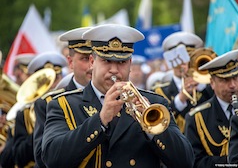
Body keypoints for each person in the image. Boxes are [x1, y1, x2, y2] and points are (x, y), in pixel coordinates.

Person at [41, 24, 194, 168]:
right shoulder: (63, 104)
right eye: (106, 61)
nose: (114, 70)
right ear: (93, 62)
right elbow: (52, 159)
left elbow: (186, 161)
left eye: (121, 62)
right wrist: (100, 120)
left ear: (130, 64)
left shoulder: (155, 102)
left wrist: (152, 130)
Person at [33, 27, 93, 168]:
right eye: (85, 59)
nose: (92, 66)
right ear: (70, 62)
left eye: (96, 58)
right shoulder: (49, 102)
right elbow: (43, 158)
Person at [185, 49, 238, 167]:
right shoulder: (196, 118)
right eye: (225, 80)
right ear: (212, 83)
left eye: (235, 78)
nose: (232, 85)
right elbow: (195, 161)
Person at [12, 51, 68, 168]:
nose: (51, 84)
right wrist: (41, 127)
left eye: (56, 78)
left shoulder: (69, 104)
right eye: (45, 80)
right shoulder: (24, 114)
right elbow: (18, 157)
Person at [156, 31, 214, 133]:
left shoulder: (208, 86)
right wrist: (181, 98)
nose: (182, 64)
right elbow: (160, 122)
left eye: (187, 58)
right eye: (178, 59)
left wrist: (201, 85)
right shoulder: (159, 90)